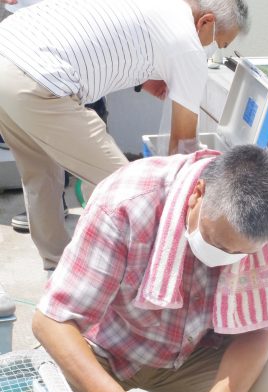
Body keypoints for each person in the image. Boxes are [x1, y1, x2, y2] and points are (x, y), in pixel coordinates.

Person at [33, 144, 268, 392]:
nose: (224, 258)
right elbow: (50, 321)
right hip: (105, 349)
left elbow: (258, 329)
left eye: (240, 254)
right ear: (198, 194)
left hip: (192, 353)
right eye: (216, 242)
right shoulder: (125, 203)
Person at [0, 0, 248, 271]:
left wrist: (144, 79)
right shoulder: (188, 44)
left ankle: (56, 266)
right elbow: (183, 146)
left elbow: (107, 36)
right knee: (128, 187)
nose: (212, 50)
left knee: (40, 174)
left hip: (8, 49)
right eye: (219, 43)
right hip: (39, 77)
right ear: (206, 22)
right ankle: (138, 273)